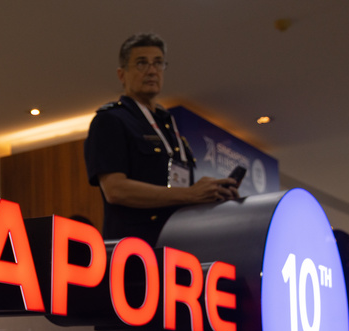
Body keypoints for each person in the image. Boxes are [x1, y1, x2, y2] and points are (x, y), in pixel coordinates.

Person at [84, 33, 239, 242]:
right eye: (141, 63)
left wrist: (212, 196)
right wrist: (191, 194)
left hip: (179, 244)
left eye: (158, 63)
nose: (151, 70)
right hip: (135, 253)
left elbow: (182, 194)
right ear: (122, 74)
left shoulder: (169, 127)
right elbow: (115, 190)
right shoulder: (110, 121)